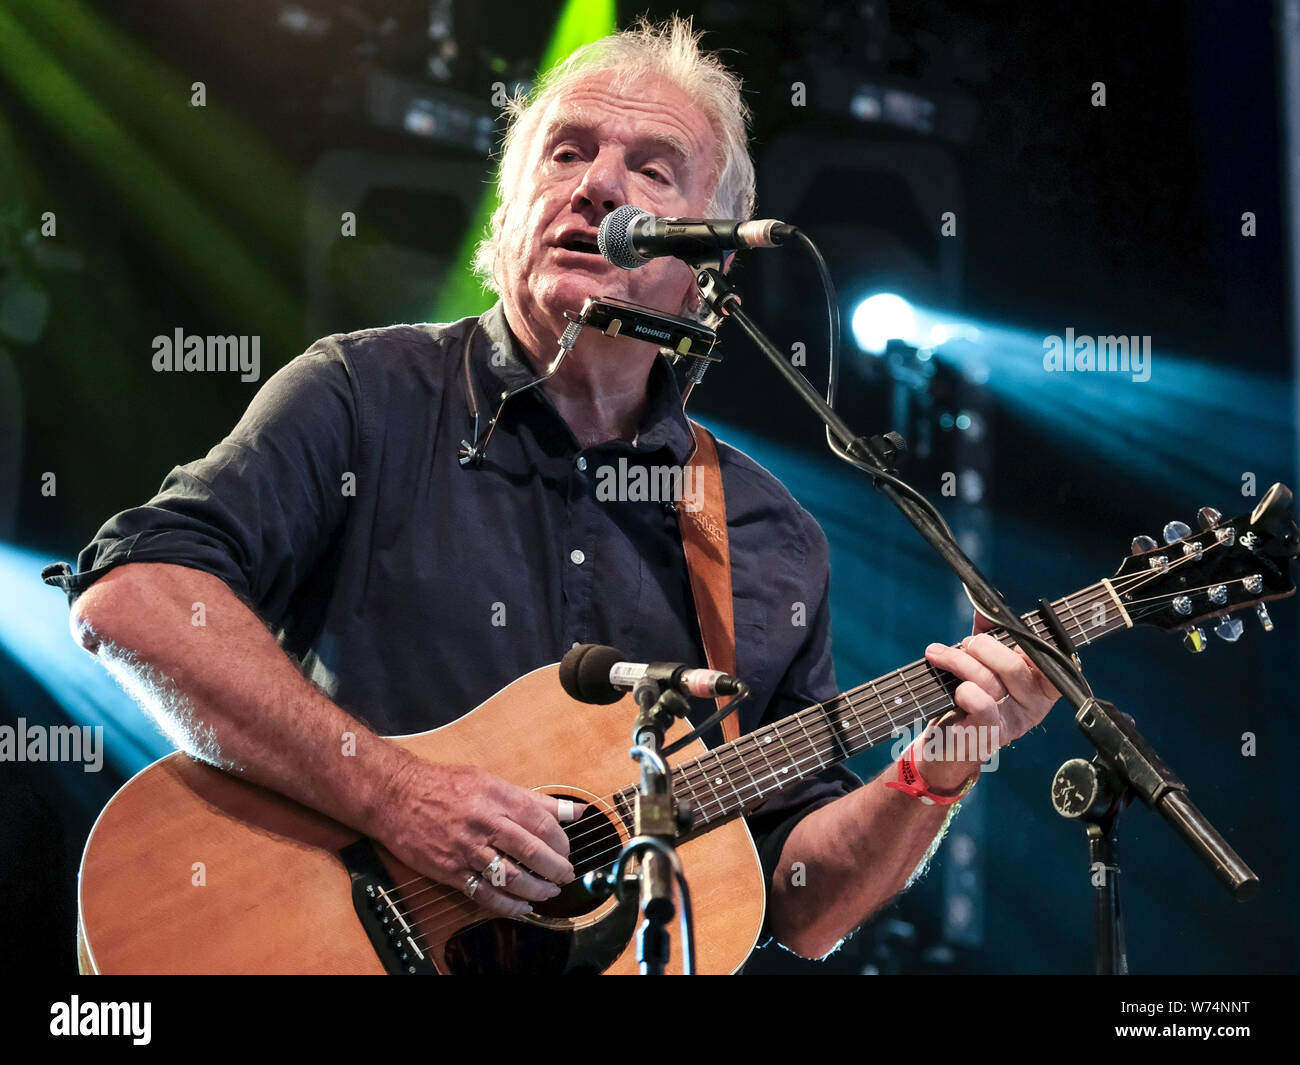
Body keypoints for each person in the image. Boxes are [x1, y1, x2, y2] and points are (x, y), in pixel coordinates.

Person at [44, 17, 1058, 963]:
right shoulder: (366, 394)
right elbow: (131, 596)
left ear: (711, 259)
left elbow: (799, 901)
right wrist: (398, 797)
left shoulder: (766, 531)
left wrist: (947, 759)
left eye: (648, 171)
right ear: (512, 202)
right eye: (565, 154)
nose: (595, 189)